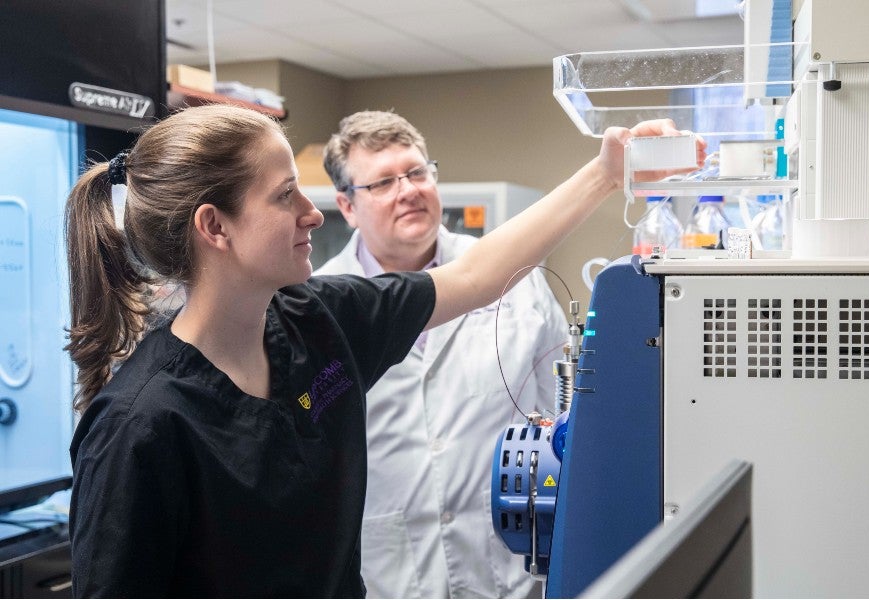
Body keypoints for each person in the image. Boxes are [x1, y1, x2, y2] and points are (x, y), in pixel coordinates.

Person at [64, 103, 705, 598]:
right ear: (214, 227)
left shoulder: (321, 320)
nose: (313, 215)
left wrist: (604, 173)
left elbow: (476, 277)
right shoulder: (140, 425)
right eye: (285, 195)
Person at [315, 110, 569, 598]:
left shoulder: (515, 279)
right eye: (383, 182)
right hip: (390, 571)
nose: (408, 189)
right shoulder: (320, 303)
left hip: (507, 567)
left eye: (416, 172)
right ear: (347, 207)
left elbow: (561, 414)